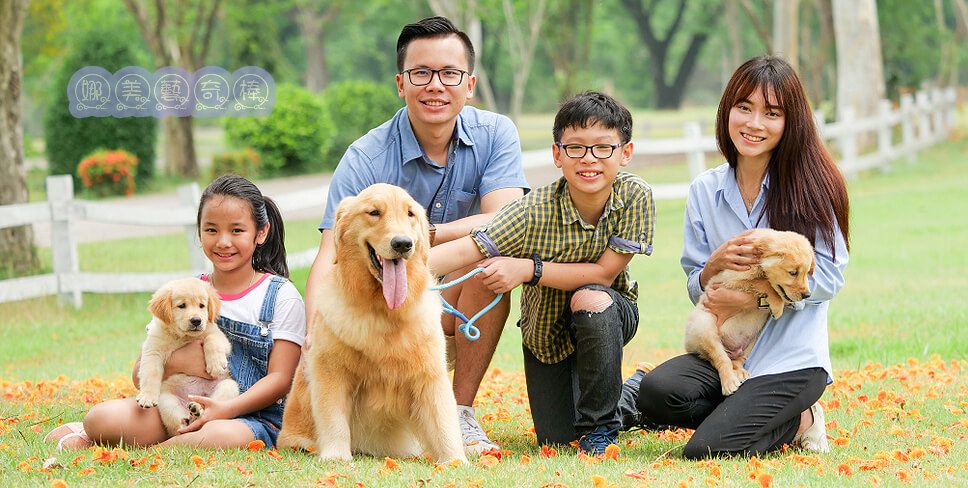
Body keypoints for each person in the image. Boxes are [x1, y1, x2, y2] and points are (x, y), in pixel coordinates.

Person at [304, 16, 528, 455]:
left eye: (449, 74)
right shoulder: (366, 156)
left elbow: (505, 218)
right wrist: (314, 329)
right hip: (383, 307)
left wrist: (419, 234)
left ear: (469, 83)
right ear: (400, 84)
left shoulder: (497, 133)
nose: (435, 86)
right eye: (421, 74)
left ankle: (460, 413)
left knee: (490, 262)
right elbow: (331, 249)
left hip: (458, 292)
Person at [619, 55, 850, 459]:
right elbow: (698, 286)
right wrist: (712, 267)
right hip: (727, 352)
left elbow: (829, 278)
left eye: (771, 113)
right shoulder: (706, 191)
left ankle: (803, 418)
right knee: (658, 392)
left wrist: (757, 296)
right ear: (727, 110)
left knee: (708, 449)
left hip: (792, 358)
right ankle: (754, 413)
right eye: (744, 108)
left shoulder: (814, 188)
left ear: (789, 121)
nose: (754, 123)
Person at [430, 91, 655, 455]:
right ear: (557, 154)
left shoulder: (634, 196)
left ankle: (601, 431)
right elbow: (469, 248)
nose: (589, 159)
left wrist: (527, 269)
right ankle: (634, 395)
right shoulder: (532, 209)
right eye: (576, 148)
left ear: (625, 154)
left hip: (608, 313)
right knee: (556, 438)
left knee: (590, 298)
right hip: (545, 332)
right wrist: (397, 269)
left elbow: (604, 273)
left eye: (603, 148)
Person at [45, 175, 305, 449]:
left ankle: (156, 450)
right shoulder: (184, 291)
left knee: (217, 435)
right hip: (180, 403)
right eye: (211, 230)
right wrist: (182, 362)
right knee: (101, 418)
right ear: (199, 231)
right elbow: (139, 374)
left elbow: (281, 379)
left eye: (237, 231)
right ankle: (124, 433)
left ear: (260, 233)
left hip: (251, 417)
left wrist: (224, 410)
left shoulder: (280, 295)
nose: (223, 242)